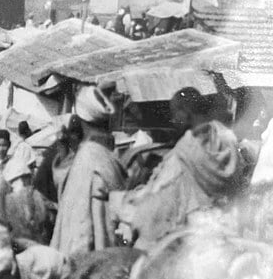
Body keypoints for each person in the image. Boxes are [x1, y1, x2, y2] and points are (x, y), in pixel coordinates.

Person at [114, 87, 243, 249]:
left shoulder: (183, 155)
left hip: (191, 243)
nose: (173, 120)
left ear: (186, 114)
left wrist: (128, 204)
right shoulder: (227, 144)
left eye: (175, 113)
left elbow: (157, 201)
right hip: (227, 232)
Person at [50, 86, 125, 256]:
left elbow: (80, 222)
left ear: (81, 118)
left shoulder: (87, 159)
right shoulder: (108, 157)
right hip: (109, 251)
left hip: (87, 256)